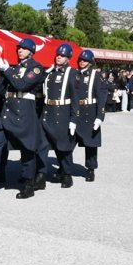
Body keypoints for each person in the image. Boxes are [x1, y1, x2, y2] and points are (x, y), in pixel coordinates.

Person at [0, 38, 47, 198]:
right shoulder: (14, 67)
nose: (20, 51)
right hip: (8, 112)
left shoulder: (36, 68)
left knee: (27, 148)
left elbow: (22, 85)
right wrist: (1, 72)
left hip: (25, 112)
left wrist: (7, 70)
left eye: (23, 48)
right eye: (19, 48)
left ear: (31, 51)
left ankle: (28, 184)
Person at [41, 43, 79, 188]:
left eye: (62, 56)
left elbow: (76, 98)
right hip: (48, 111)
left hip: (62, 111)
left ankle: (67, 174)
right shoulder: (50, 72)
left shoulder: (72, 73)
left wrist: (73, 119)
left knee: (64, 146)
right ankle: (41, 174)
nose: (59, 57)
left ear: (68, 58)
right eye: (58, 55)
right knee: (45, 145)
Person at [74, 50, 109, 182]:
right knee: (68, 141)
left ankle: (90, 169)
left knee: (91, 143)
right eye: (80, 60)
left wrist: (100, 116)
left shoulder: (96, 75)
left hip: (90, 110)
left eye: (85, 60)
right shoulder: (75, 74)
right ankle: (64, 167)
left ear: (90, 62)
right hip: (77, 110)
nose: (81, 62)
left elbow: (102, 96)